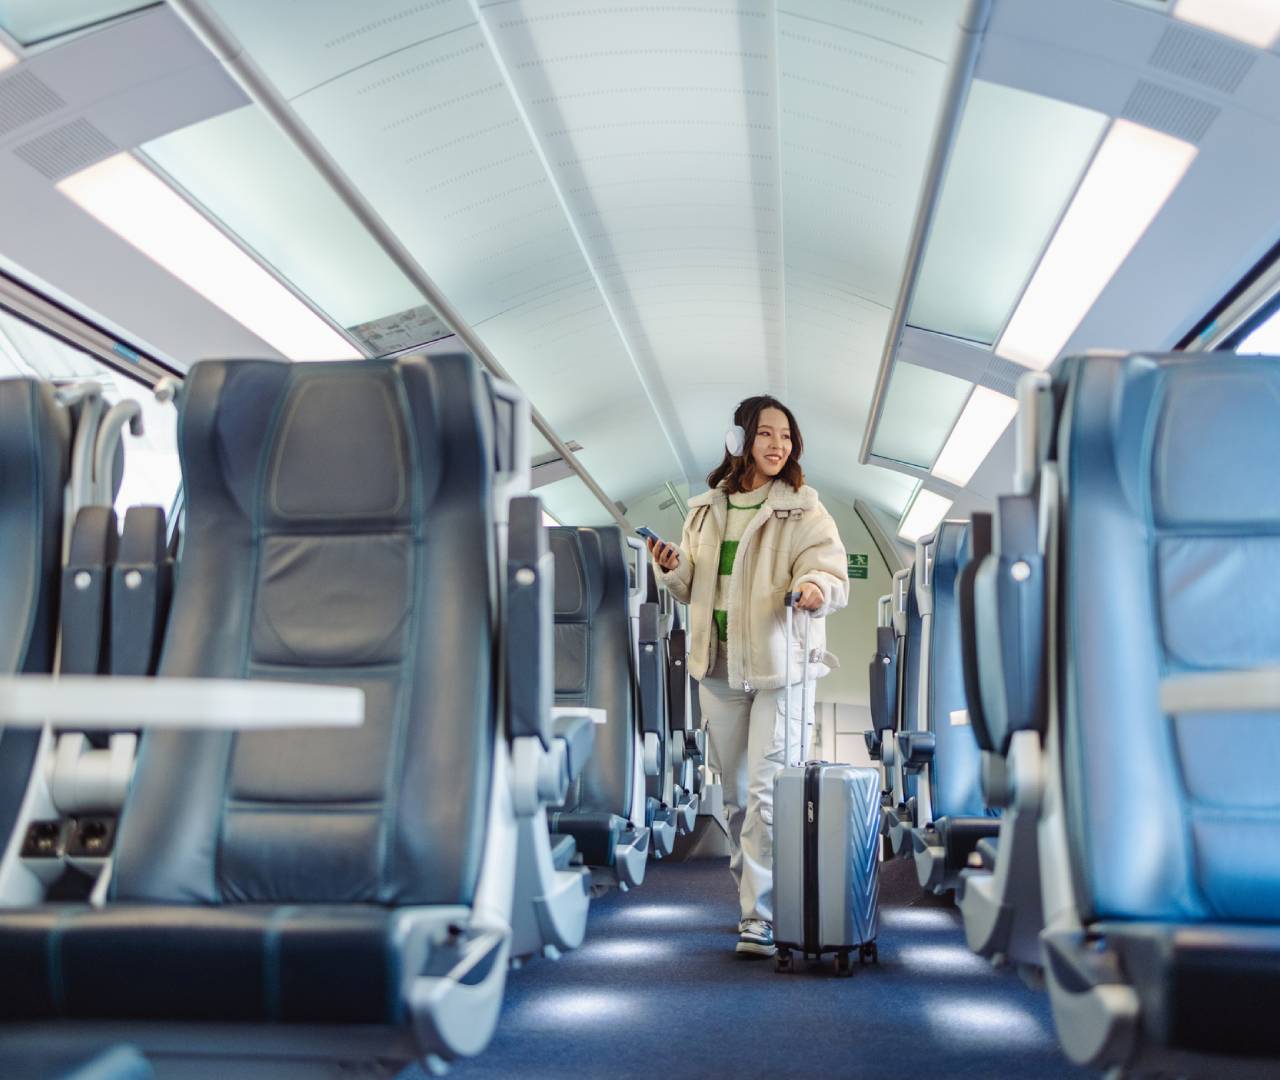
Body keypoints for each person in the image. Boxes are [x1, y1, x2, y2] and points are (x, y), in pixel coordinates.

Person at [648, 395, 848, 957]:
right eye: (765, 434)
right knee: (736, 796)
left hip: (780, 667)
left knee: (765, 794)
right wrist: (672, 567)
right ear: (738, 440)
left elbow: (830, 572)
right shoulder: (704, 511)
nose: (778, 445)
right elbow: (692, 585)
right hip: (718, 667)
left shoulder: (804, 509)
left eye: (786, 435)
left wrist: (815, 588)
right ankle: (752, 899)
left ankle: (759, 915)